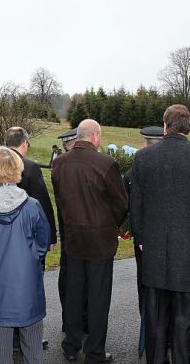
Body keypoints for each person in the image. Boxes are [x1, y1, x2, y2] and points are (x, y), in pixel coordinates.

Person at [130, 104, 190, 364]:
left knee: (156, 319)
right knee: (185, 319)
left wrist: (140, 239)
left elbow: (135, 204)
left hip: (154, 251)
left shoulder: (143, 158)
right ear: (189, 127)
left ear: (165, 126)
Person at [52, 119, 128, 363]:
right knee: (98, 296)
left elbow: (61, 200)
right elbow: (120, 203)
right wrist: (109, 223)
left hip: (73, 238)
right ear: (95, 137)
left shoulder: (60, 163)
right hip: (99, 242)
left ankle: (71, 344)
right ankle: (94, 351)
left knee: (74, 293)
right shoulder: (106, 163)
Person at [0, 146, 50, 364]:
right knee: (33, 353)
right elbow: (43, 245)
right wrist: (30, 257)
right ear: (18, 169)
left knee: (1, 355)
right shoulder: (32, 207)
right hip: (28, 289)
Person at [5, 126, 56, 350]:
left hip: (1, 239)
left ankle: (11, 336)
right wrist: (51, 236)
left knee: (6, 286)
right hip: (27, 239)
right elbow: (43, 204)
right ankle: (28, 336)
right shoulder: (31, 167)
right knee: (30, 287)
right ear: (24, 143)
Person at [121, 125, 164, 357]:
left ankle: (148, 331)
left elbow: (127, 201)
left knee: (145, 286)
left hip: (144, 239)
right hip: (168, 237)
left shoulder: (137, 166)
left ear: (146, 142)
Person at [55, 127, 80, 332]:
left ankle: (69, 321)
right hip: (75, 228)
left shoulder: (60, 164)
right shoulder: (63, 164)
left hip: (68, 228)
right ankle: (79, 321)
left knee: (68, 277)